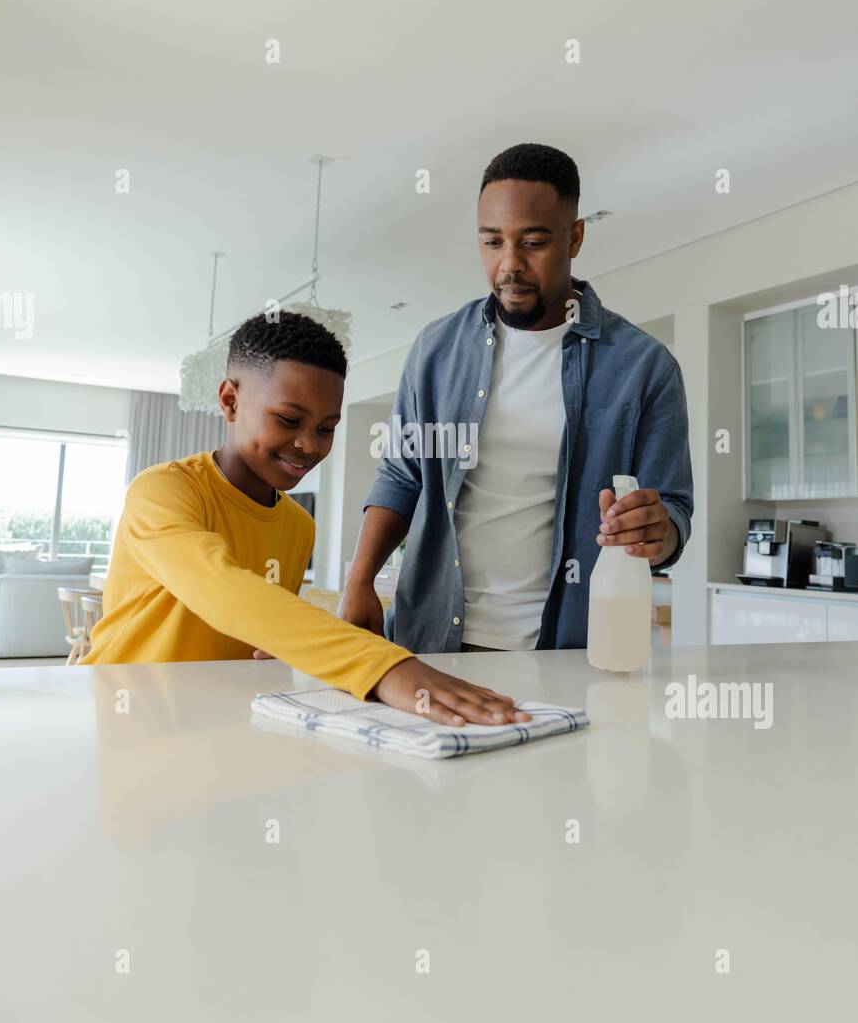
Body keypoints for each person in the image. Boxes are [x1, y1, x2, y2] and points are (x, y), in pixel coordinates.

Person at [82, 311, 531, 728]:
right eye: (289, 419)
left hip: (217, 723)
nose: (309, 446)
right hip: (123, 718)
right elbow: (222, 589)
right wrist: (383, 665)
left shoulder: (299, 526)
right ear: (230, 400)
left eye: (326, 428)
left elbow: (259, 628)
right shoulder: (163, 491)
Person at [341, 142, 693, 652]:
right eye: (492, 242)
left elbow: (673, 512)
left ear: (574, 237)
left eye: (532, 242)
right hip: (430, 642)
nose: (509, 265)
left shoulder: (645, 368)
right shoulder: (437, 350)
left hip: (570, 650)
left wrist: (660, 532)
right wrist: (359, 580)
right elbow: (402, 475)